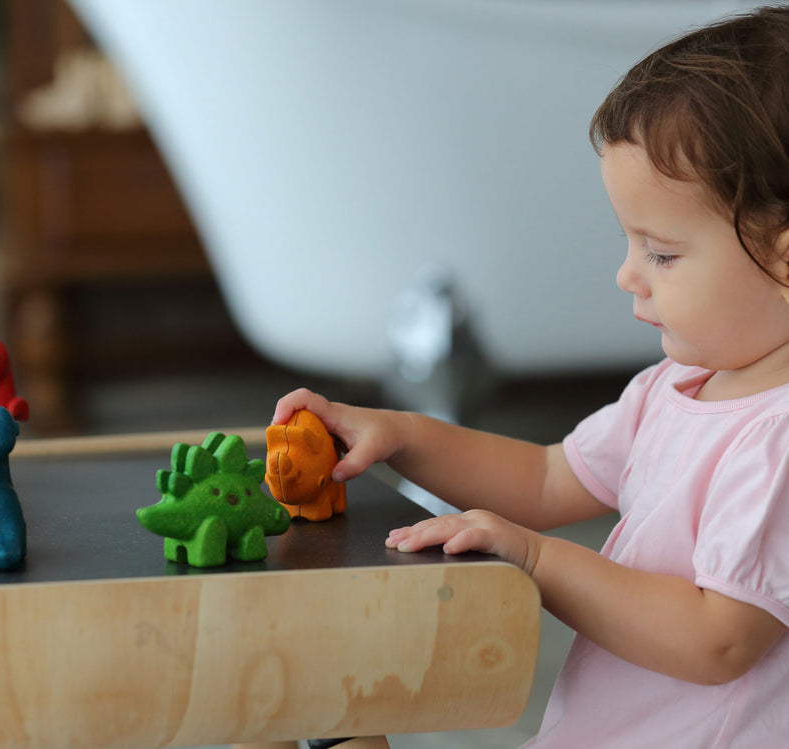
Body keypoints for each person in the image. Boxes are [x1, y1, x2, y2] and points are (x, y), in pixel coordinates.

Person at [270, 6, 789, 747]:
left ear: (781, 259)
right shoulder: (672, 391)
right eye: (630, 244)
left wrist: (538, 559)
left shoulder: (777, 443)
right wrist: (402, 435)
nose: (628, 276)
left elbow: (718, 640)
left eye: (662, 254)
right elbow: (547, 478)